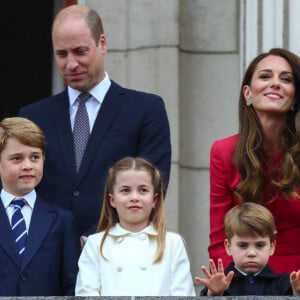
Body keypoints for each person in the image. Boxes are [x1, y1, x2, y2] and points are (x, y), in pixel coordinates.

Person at [18, 5, 171, 241]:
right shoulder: (32, 117)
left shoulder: (146, 110)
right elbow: (19, 191)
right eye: (61, 54)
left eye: (80, 51)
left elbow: (153, 187)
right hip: (48, 258)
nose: (70, 64)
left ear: (102, 44)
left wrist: (97, 241)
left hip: (119, 254)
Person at [208, 48, 300, 274]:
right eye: (265, 76)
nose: (275, 83)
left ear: (296, 97)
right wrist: (241, 287)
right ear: (248, 93)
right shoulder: (223, 151)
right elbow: (220, 239)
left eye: (286, 79)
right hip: (246, 280)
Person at [75, 156, 195, 296]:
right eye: (125, 190)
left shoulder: (173, 244)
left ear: (155, 199)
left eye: (143, 190)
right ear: (112, 200)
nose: (134, 197)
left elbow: (182, 295)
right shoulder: (95, 244)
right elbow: (87, 293)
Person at [0, 117, 80, 296]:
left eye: (34, 157)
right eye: (17, 158)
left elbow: (72, 284)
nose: (27, 166)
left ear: (43, 159)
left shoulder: (63, 221)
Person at [196, 202, 300, 296]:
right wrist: (215, 293)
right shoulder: (220, 282)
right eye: (243, 245)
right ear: (228, 247)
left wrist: (297, 292)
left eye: (259, 245)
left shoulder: (283, 283)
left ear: (272, 247)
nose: (251, 253)